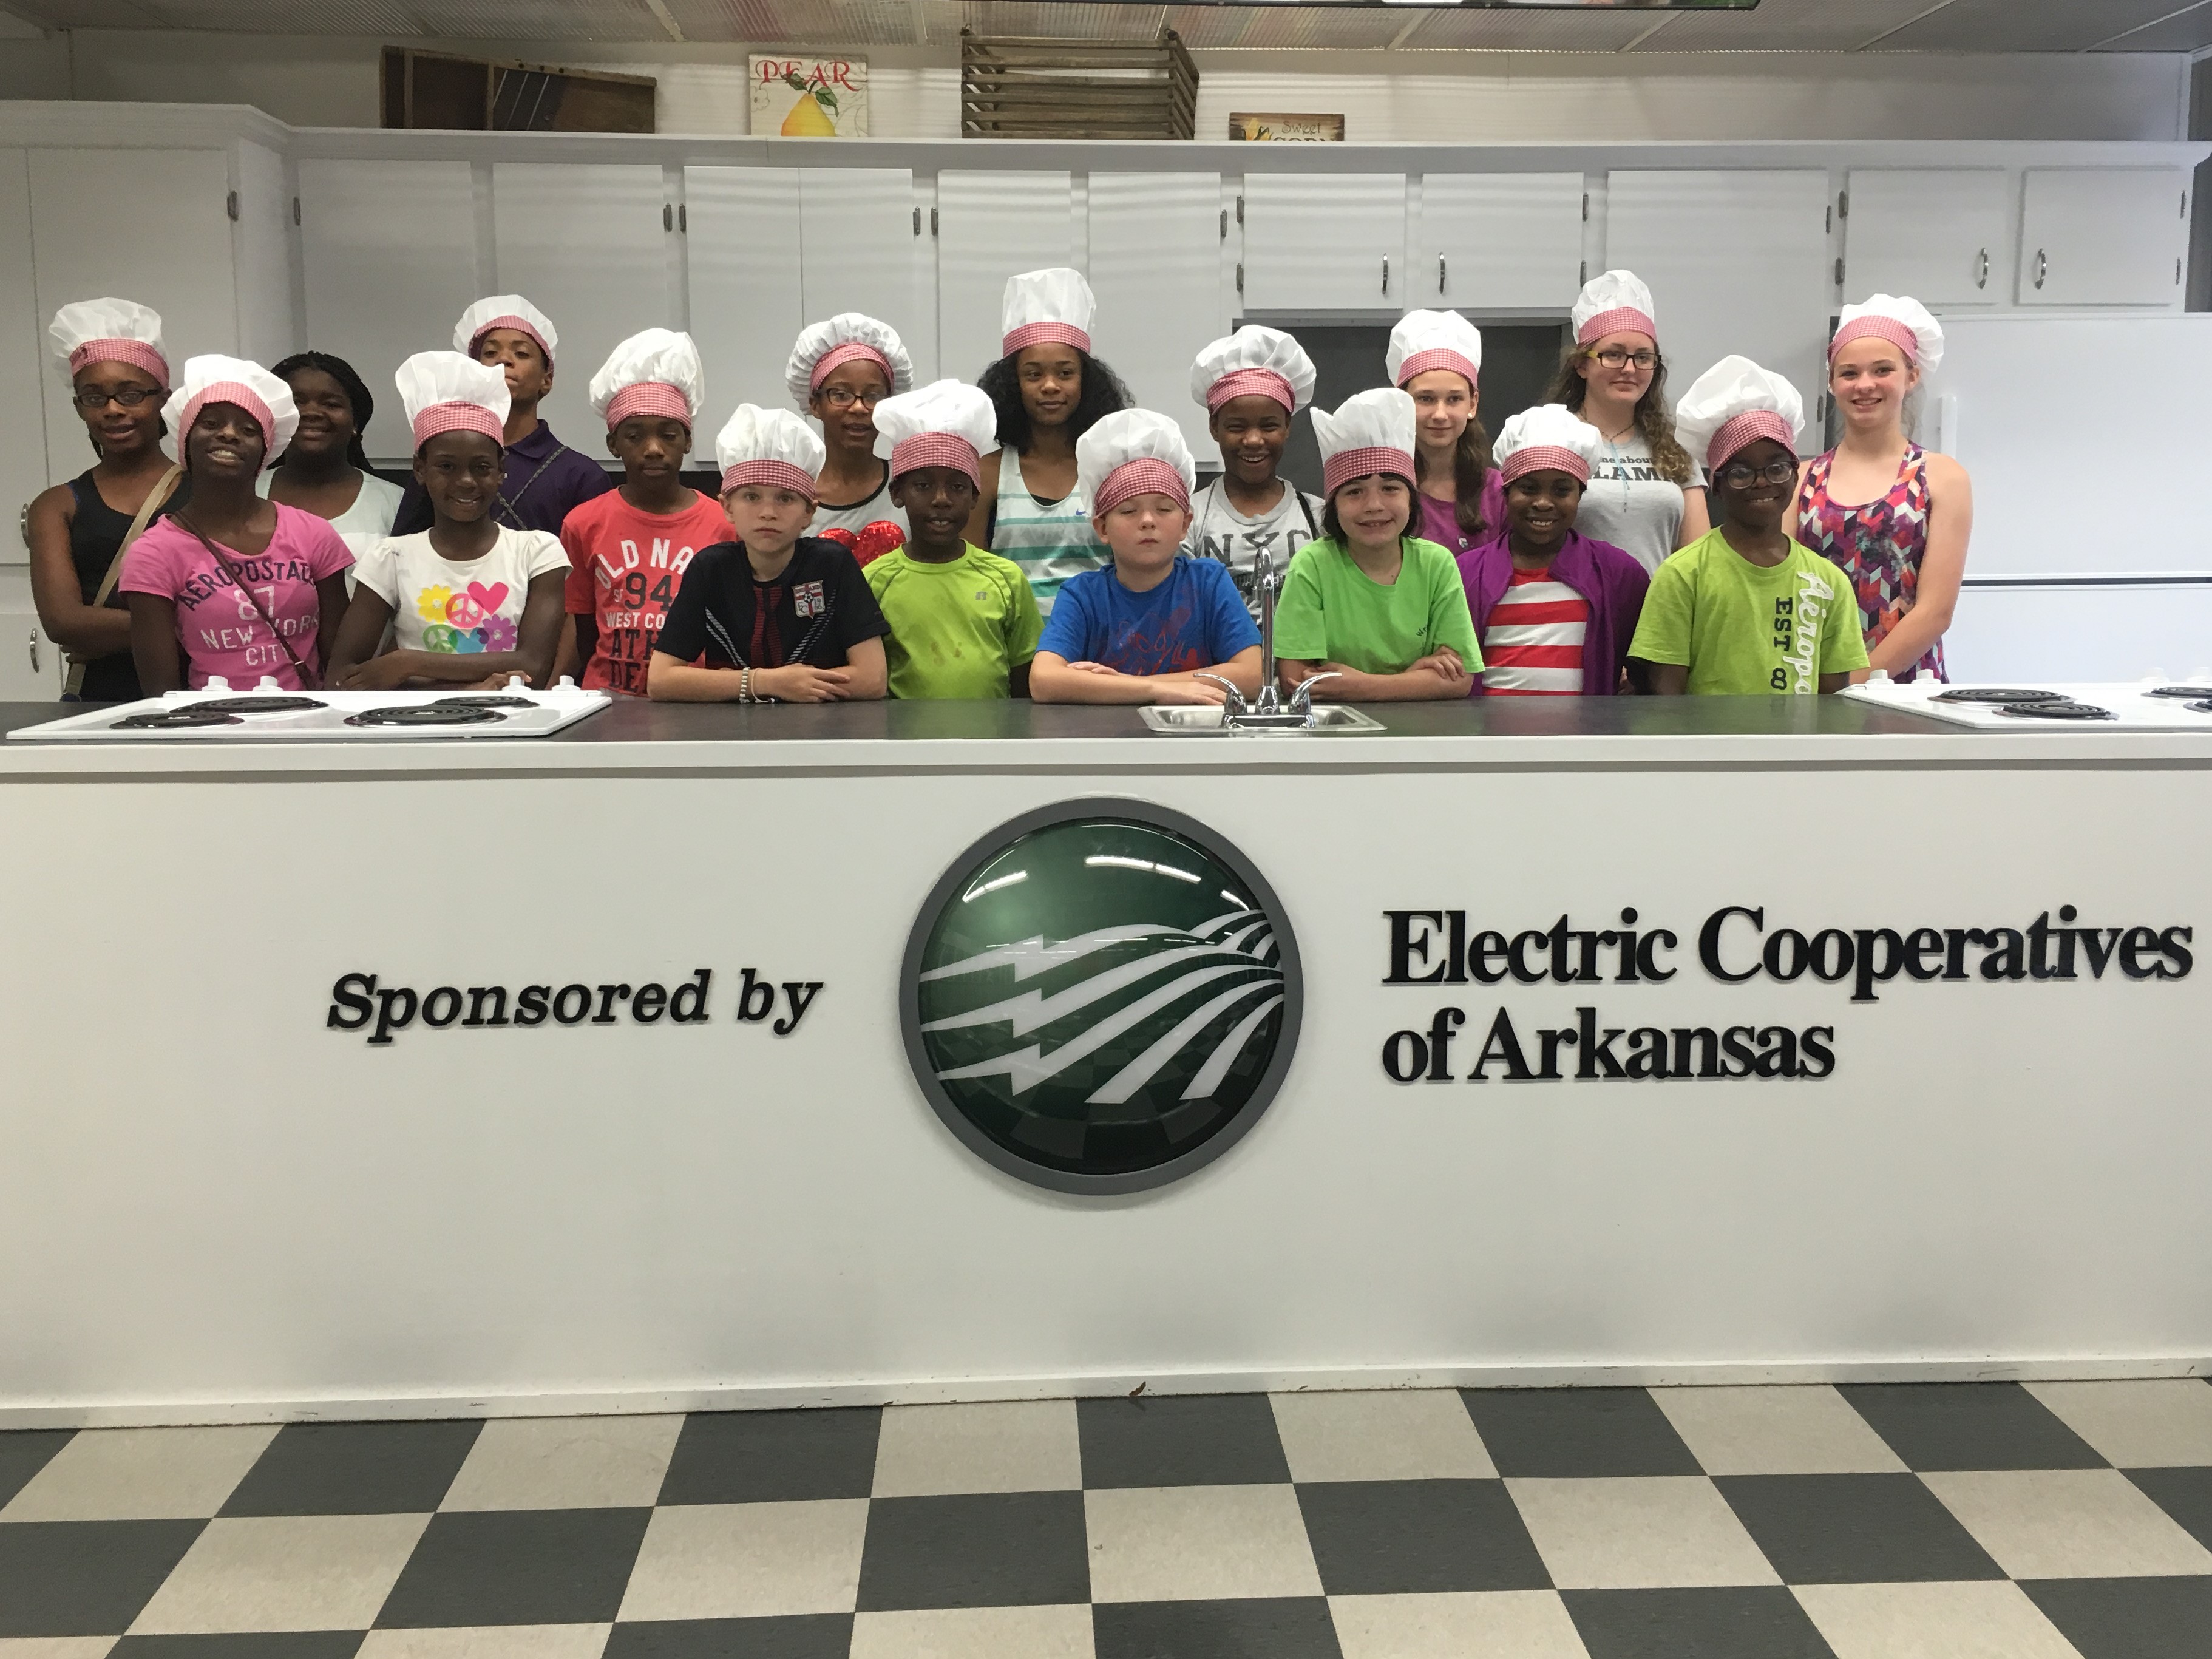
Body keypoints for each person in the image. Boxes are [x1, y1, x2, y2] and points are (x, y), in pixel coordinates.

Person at [325, 353, 568, 692]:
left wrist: (408, 663)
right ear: (421, 470)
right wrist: (467, 690)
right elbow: (341, 676)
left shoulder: (537, 553)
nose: (466, 482)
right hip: (418, 737)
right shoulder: (391, 558)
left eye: (482, 467)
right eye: (447, 467)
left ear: (502, 472)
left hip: (514, 736)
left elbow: (532, 666)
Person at [1629, 357, 1869, 697]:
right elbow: (1666, 701)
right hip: (1709, 750)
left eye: (1776, 468)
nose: (1761, 483)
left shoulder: (1829, 582)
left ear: (1795, 474)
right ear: (1716, 484)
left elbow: (1832, 702)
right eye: (1741, 472)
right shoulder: (1684, 575)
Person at [120, 355, 352, 693]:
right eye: (211, 424)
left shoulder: (312, 533)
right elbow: (160, 692)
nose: (229, 435)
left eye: (248, 430)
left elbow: (339, 661)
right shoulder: (154, 553)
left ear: (265, 451)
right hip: (211, 731)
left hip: (307, 725)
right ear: (185, 441)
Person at [648, 405, 887, 704]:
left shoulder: (832, 565)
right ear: (727, 507)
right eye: (751, 496)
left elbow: (873, 678)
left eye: (785, 498)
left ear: (809, 513)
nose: (767, 513)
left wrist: (796, 686)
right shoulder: (710, 570)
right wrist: (768, 682)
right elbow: (660, 680)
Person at [1795, 295, 1973, 682]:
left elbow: (1935, 612)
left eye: (1882, 370)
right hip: (1809, 679)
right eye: (1849, 373)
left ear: (1912, 376)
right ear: (1831, 383)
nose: (1865, 385)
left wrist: (1855, 684)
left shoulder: (1943, 478)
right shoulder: (1800, 479)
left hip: (1907, 686)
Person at [1031, 410, 1261, 706]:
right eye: (1128, 511)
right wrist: (1157, 692)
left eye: (1164, 509)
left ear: (1185, 524)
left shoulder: (1208, 582)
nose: (1148, 521)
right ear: (1102, 527)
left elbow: (1252, 675)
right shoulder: (1083, 595)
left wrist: (1128, 685)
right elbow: (1044, 681)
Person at [25, 299, 189, 702]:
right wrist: (193, 627)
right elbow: (63, 622)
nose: (113, 410)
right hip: (98, 701)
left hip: (201, 696)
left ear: (163, 399)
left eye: (131, 394)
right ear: (80, 407)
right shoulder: (57, 505)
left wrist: (106, 631)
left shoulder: (208, 492)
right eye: (94, 397)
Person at [1274, 387, 1481, 702]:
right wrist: (1415, 678)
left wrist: (1357, 684)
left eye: (1390, 488)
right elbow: (1295, 680)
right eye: (1354, 492)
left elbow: (1459, 679)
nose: (1374, 505)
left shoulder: (1436, 564)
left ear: (1411, 499)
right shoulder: (1313, 566)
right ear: (1334, 505)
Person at [556, 329, 730, 695]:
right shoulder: (583, 523)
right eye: (635, 436)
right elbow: (583, 625)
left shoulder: (724, 525)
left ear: (687, 440)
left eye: (668, 435)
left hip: (697, 701)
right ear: (613, 443)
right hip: (607, 701)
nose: (653, 449)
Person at [964, 268, 1131, 614]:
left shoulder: (1110, 470)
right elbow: (971, 579)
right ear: (1013, 384)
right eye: (1034, 374)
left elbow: (1135, 572)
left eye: (1065, 373)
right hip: (1012, 652)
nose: (1051, 386)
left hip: (1098, 655)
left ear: (1087, 381)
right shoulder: (989, 472)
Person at [1457, 405, 1649, 697]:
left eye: (1561, 491)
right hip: (1488, 740)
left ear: (1581, 495)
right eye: (1529, 488)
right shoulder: (1466, 573)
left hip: (1583, 740)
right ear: (1506, 492)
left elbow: (1642, 669)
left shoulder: (1619, 574)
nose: (1543, 503)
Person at [867, 379, 1041, 700]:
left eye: (958, 487)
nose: (941, 499)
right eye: (923, 485)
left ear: (976, 497)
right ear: (897, 494)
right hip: (905, 746)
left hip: (992, 743)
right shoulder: (874, 582)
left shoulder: (1006, 579)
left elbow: (1023, 678)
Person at [388, 295, 614, 537]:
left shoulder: (580, 475)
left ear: (546, 380)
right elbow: (406, 549)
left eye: (522, 354)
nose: (504, 360)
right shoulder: (442, 461)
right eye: (490, 352)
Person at [1542, 269, 1708, 574]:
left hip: (1659, 617)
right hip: (1576, 615)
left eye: (1643, 357)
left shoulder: (1676, 449)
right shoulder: (1550, 438)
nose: (1629, 369)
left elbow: (1698, 561)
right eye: (1614, 355)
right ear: (1582, 365)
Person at [1181, 325, 1325, 620]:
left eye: (1269, 426)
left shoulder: (1318, 516)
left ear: (1287, 427)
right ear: (1214, 428)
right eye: (1237, 427)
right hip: (1219, 666)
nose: (1254, 440)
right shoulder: (1190, 518)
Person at [785, 312, 914, 565]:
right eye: (841, 394)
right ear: (815, 405)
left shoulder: (909, 486)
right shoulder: (793, 495)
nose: (858, 408)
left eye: (874, 396)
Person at [259, 351, 404, 560]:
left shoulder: (396, 504)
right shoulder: (243, 495)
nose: (311, 412)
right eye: (296, 402)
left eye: (331, 404)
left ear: (355, 422)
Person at [1386, 310, 1503, 558]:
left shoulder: (1497, 493)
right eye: (1426, 399)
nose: (1440, 414)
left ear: (1472, 404)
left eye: (1454, 399)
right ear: (1401, 401)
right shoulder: (1382, 489)